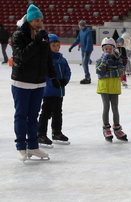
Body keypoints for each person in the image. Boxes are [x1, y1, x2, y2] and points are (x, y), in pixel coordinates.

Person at [11, 4, 56, 161]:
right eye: (37, 20)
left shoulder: (43, 36)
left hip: (38, 83)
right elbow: (21, 57)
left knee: (33, 116)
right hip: (21, 82)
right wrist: (36, 42)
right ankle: (21, 147)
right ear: (29, 21)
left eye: (41, 20)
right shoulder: (18, 36)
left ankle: (33, 146)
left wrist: (53, 76)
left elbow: (47, 57)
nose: (40, 23)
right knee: (21, 115)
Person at [37, 34, 72, 147]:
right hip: (49, 92)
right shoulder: (46, 60)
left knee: (58, 113)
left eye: (58, 45)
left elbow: (68, 71)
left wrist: (64, 81)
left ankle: (56, 132)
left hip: (59, 92)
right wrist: (52, 82)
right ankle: (41, 134)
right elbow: (45, 74)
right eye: (53, 45)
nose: (56, 48)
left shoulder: (62, 59)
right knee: (46, 113)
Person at [96, 37, 128, 142]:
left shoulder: (117, 59)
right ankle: (106, 128)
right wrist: (105, 62)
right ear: (103, 49)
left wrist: (109, 72)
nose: (108, 51)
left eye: (110, 48)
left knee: (115, 108)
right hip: (104, 87)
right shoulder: (100, 60)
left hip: (114, 86)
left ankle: (117, 128)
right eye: (106, 49)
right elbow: (100, 71)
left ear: (114, 48)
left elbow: (121, 72)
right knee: (106, 107)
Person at [69, 20, 93, 84]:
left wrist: (87, 50)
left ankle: (87, 78)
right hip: (83, 50)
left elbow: (89, 41)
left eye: (79, 25)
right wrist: (72, 46)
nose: (78, 26)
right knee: (84, 63)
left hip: (87, 50)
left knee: (84, 63)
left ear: (81, 25)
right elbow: (77, 40)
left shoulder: (88, 31)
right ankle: (87, 77)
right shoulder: (81, 31)